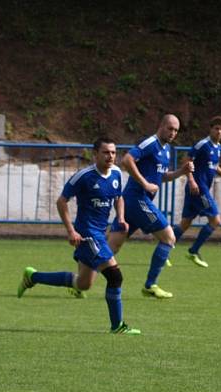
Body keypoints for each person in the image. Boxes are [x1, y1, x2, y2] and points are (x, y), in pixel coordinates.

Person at [17, 138, 141, 335]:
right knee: (115, 276)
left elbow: (119, 197)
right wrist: (71, 231)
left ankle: (33, 276)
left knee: (83, 284)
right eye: (106, 152)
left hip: (100, 233)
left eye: (113, 153)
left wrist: (121, 217)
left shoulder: (116, 173)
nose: (110, 156)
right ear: (95, 154)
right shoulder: (83, 177)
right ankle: (117, 326)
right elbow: (61, 201)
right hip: (87, 234)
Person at [107, 114, 194, 299]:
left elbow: (161, 176)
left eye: (176, 130)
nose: (173, 133)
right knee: (169, 238)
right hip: (138, 199)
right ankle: (150, 285)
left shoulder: (167, 149)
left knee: (110, 247)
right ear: (161, 126)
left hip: (133, 202)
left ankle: (79, 282)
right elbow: (127, 160)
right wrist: (145, 184)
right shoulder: (150, 143)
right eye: (170, 128)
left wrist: (181, 172)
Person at [172, 116, 221, 267]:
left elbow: (214, 166)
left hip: (197, 189)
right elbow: (186, 161)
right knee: (215, 220)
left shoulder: (218, 147)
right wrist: (191, 180)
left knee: (185, 223)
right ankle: (193, 251)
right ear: (210, 128)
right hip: (198, 188)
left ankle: (164, 249)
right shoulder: (202, 144)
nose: (219, 132)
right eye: (216, 128)